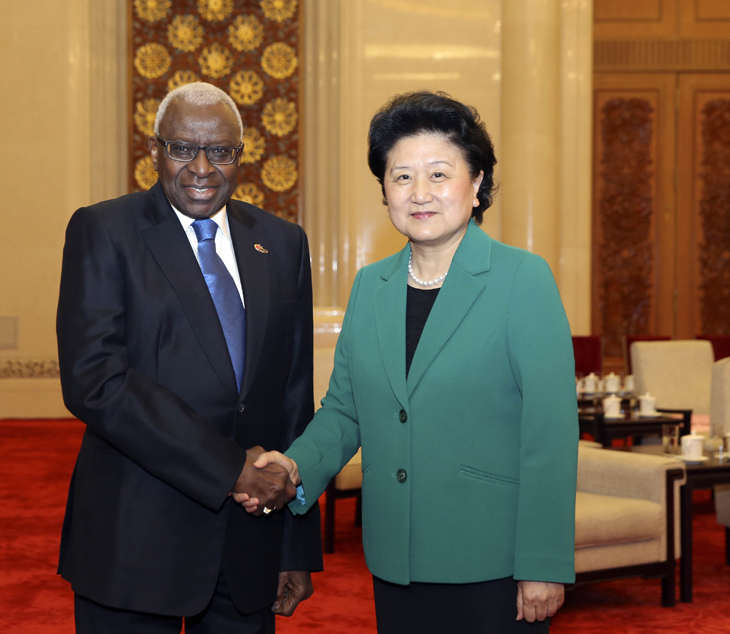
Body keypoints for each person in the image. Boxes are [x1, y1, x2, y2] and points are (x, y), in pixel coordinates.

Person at [239, 91, 578, 632]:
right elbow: (345, 411)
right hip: (396, 558)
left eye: (439, 174)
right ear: (385, 192)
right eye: (401, 177)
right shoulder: (371, 285)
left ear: (477, 183)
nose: (420, 193)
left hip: (492, 562)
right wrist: (294, 467)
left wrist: (543, 562)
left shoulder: (522, 279)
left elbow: (550, 434)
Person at [56, 81, 322, 634]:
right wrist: (229, 468)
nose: (201, 168)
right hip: (134, 539)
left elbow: (293, 399)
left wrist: (294, 544)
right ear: (155, 151)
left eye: (220, 151)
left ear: (240, 156)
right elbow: (95, 381)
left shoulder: (282, 243)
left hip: (248, 541)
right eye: (182, 148)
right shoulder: (104, 231)